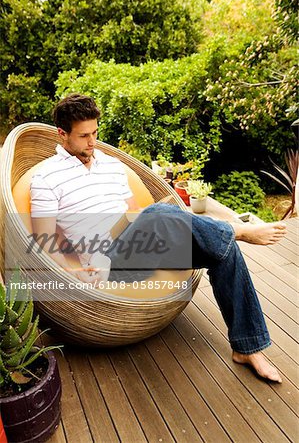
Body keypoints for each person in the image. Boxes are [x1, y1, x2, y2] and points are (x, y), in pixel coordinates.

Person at [30, 93, 287, 383]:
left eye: (96, 132)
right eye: (84, 136)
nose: (92, 142)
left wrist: (160, 229)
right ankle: (236, 230)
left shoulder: (112, 165)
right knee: (159, 213)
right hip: (108, 262)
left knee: (222, 251)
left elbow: (133, 216)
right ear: (62, 134)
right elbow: (43, 239)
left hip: (139, 246)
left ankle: (248, 348)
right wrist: (71, 272)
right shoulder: (46, 178)